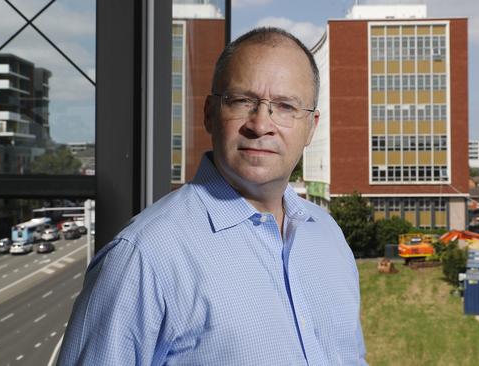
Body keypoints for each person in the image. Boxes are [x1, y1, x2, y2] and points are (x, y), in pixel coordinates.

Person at [58, 27, 367, 365]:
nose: (261, 124)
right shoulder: (143, 257)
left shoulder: (327, 236)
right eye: (242, 101)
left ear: (311, 127)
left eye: (286, 106)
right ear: (209, 113)